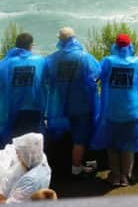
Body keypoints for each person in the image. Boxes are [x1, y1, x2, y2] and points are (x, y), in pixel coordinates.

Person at [42, 27, 100, 177]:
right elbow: (97, 72)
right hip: (82, 103)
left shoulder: (53, 58)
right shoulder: (83, 56)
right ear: (74, 38)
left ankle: (70, 163)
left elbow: (46, 77)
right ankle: (76, 167)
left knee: (67, 133)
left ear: (60, 40)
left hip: (62, 104)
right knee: (80, 136)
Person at [90, 33, 138, 187]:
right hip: (132, 110)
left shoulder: (108, 61)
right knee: (128, 145)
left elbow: (94, 74)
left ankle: (115, 176)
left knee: (112, 145)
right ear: (130, 46)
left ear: (115, 45)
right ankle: (125, 176)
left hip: (112, 110)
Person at [0, 33, 46, 147]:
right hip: (35, 107)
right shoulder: (40, 60)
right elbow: (47, 77)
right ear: (30, 45)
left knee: (16, 140)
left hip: (15, 108)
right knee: (35, 140)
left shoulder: (9, 62)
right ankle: (34, 163)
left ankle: (18, 163)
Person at [0, 133, 52, 203]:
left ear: (27, 156)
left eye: (19, 153)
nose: (17, 155)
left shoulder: (29, 183)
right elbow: (12, 158)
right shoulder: (38, 158)